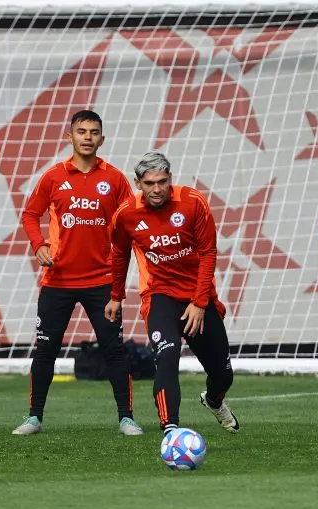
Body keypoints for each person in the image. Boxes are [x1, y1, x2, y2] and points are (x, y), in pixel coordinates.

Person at [12, 110, 142, 436]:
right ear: (69, 137)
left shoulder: (114, 179)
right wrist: (39, 244)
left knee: (114, 350)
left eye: (93, 132)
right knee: (46, 350)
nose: (87, 137)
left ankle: (126, 417)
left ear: (102, 138)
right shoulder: (53, 177)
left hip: (102, 282)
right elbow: (30, 214)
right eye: (81, 131)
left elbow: (131, 221)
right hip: (57, 281)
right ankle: (34, 417)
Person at [105, 151, 239, 436]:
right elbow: (120, 255)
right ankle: (171, 429)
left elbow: (208, 253)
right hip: (159, 295)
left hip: (198, 296)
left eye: (162, 182)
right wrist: (116, 295)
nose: (157, 189)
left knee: (223, 373)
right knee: (167, 355)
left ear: (170, 179)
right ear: (138, 183)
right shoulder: (126, 213)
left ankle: (214, 401)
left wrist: (200, 302)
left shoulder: (193, 202)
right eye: (150, 183)